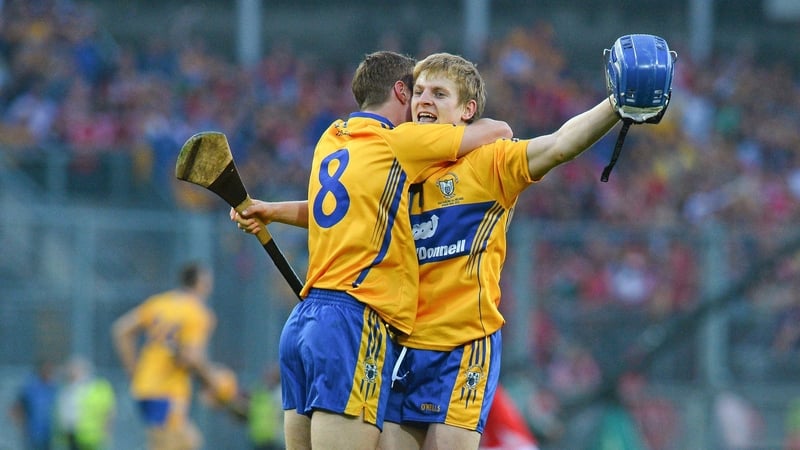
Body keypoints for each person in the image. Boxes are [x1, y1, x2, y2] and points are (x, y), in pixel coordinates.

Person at [234, 49, 640, 449]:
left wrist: (615, 104)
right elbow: (344, 206)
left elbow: (559, 144)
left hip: (463, 345)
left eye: (439, 94)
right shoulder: (401, 159)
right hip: (402, 348)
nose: (424, 99)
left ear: (468, 110)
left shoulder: (490, 163)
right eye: (420, 91)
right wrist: (273, 211)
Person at [234, 50, 512, 450]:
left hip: (304, 320)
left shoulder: (334, 136)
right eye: (416, 92)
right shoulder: (398, 141)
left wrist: (273, 211)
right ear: (401, 91)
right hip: (354, 318)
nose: (420, 106)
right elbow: (496, 131)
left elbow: (341, 208)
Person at [111, 262, 236, 450]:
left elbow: (121, 330)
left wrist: (134, 372)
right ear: (201, 283)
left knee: (190, 442)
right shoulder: (198, 313)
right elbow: (189, 357)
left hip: (145, 386)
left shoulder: (160, 303)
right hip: (168, 392)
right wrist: (213, 381)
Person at [54, 355, 116, 450]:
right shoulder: (67, 389)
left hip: (91, 435)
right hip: (71, 433)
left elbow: (109, 411)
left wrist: (106, 431)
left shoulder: (98, 388)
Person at [9, 358, 58, 450]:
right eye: (46, 369)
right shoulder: (30, 387)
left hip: (52, 434)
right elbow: (16, 407)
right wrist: (20, 423)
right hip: (34, 433)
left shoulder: (55, 387)